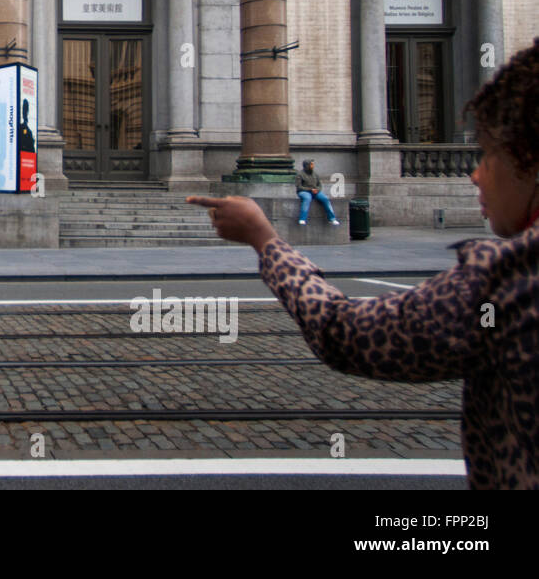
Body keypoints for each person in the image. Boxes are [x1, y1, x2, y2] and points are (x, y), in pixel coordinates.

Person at [188, 36, 539, 489]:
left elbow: (344, 332)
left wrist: (265, 240)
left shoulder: (510, 283)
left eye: (489, 154)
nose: (475, 173)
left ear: (529, 162)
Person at [295, 158, 340, 225]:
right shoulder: (300, 174)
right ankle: (302, 219)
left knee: (325, 199)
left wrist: (317, 190)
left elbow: (319, 184)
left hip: (315, 191)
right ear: (307, 165)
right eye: (311, 164)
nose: (313, 166)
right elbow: (299, 187)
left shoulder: (315, 174)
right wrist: (310, 189)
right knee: (307, 198)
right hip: (303, 192)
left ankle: (332, 219)